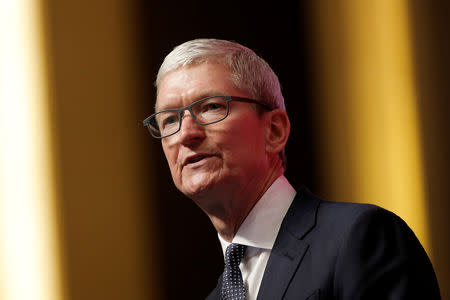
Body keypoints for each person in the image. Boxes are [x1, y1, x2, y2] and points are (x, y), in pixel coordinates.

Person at [143, 38, 441, 299]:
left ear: (274, 130)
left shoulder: (359, 238)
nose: (185, 133)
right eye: (169, 119)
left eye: (211, 107)